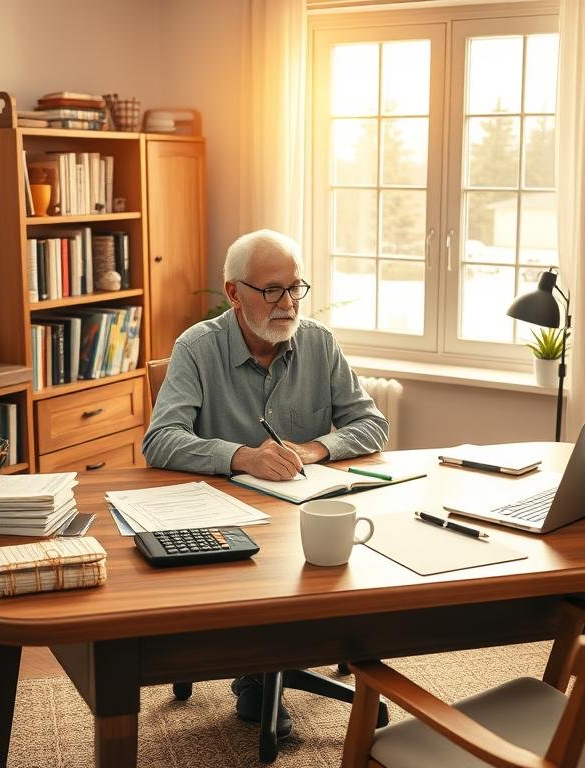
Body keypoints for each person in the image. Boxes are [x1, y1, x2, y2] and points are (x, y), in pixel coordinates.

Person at [142, 228, 389, 737]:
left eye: (295, 288)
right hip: (225, 522)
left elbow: (372, 424)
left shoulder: (319, 343)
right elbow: (160, 440)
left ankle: (307, 657)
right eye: (271, 290)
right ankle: (258, 672)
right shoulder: (197, 348)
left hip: (304, 511)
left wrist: (316, 448)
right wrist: (242, 457)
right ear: (233, 293)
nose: (287, 303)